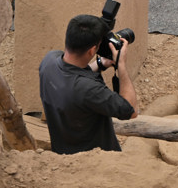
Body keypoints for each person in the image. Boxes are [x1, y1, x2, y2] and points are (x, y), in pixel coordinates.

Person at [38, 14, 138, 154]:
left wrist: (101, 63)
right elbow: (131, 111)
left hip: (62, 153)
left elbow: (73, 75)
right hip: (94, 162)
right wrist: (121, 66)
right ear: (92, 50)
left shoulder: (49, 61)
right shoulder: (90, 90)